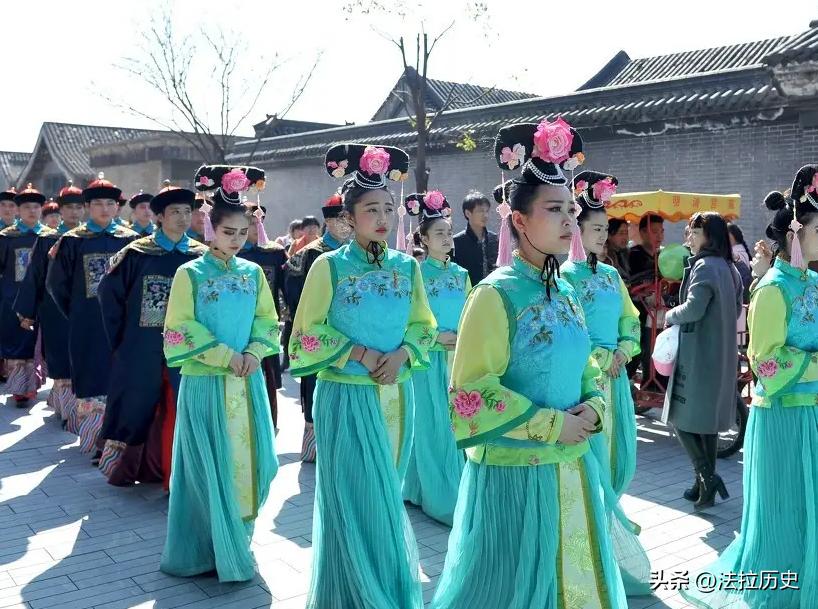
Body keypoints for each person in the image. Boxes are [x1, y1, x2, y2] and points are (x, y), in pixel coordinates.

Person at [432, 119, 629, 609]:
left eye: (572, 210)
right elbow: (471, 395)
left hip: (573, 465)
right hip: (517, 474)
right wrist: (552, 424)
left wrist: (594, 410)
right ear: (519, 220)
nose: (569, 222)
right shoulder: (494, 294)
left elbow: (586, 368)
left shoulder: (566, 290)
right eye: (554, 210)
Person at [289, 143, 436, 609]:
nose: (382, 216)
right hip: (346, 395)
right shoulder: (328, 266)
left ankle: (387, 585)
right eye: (371, 208)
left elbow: (423, 325)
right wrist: (361, 352)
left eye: (388, 208)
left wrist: (405, 352)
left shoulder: (406, 266)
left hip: (397, 395)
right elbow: (305, 334)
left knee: (387, 494)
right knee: (352, 497)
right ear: (349, 217)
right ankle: (352, 593)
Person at [680, 170, 818, 609]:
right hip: (783, 416)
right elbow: (768, 365)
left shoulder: (812, 283)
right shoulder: (773, 288)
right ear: (795, 234)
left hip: (811, 413)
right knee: (786, 509)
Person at [160, 164, 279, 582]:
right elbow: (178, 328)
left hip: (246, 382)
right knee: (206, 467)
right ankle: (204, 549)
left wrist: (255, 352)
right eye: (228, 232)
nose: (236, 240)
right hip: (207, 382)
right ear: (209, 228)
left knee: (252, 463)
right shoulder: (189, 273)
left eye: (242, 233)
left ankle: (238, 542)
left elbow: (269, 320)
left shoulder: (254, 274)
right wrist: (224, 355)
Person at [96, 184, 207, 487]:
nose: (184, 218)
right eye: (175, 212)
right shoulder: (135, 254)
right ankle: (130, 468)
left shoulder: (202, 256)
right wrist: (122, 340)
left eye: (188, 211)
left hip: (187, 345)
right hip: (140, 344)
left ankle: (179, 472)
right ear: (159, 217)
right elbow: (110, 297)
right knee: (136, 402)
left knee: (182, 402)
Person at [46, 175, 138, 462]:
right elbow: (56, 286)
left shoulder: (132, 241)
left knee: (121, 378)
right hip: (86, 324)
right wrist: (76, 312)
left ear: (117, 207)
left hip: (122, 325)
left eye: (110, 203)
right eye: (97, 203)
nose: (104, 209)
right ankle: (95, 440)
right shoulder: (72, 241)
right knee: (92, 378)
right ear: (87, 207)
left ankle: (118, 443)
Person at [661, 211, 742, 507]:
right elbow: (734, 312)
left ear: (710, 236)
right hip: (720, 353)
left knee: (680, 419)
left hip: (698, 356)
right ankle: (703, 484)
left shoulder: (705, 266)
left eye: (694, 233)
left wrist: (669, 315)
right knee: (705, 423)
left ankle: (706, 477)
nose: (689, 239)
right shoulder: (729, 268)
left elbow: (694, 309)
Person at [402, 190, 468, 526]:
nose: (446, 239)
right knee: (430, 426)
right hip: (427, 360)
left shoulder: (461, 274)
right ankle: (439, 495)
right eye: (438, 234)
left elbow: (471, 312)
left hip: (456, 358)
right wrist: (434, 337)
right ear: (423, 239)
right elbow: (405, 319)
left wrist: (463, 337)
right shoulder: (415, 272)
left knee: (454, 425)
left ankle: (421, 486)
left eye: (447, 232)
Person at [284, 193, 349, 461]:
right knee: (314, 387)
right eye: (340, 219)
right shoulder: (310, 253)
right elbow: (293, 292)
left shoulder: (359, 252)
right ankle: (314, 445)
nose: (346, 225)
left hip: (349, 331)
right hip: (319, 331)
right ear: (328, 221)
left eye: (348, 219)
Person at [15, 181, 83, 429]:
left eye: (78, 207)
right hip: (54, 309)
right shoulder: (47, 239)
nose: (74, 213)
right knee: (61, 358)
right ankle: (69, 414)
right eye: (69, 208)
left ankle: (75, 408)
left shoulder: (88, 238)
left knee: (83, 358)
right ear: (60, 210)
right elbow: (34, 276)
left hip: (84, 311)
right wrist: (28, 312)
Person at [237, 201, 286, 430]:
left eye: (259, 223)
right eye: (250, 223)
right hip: (237, 324)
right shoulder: (234, 253)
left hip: (265, 324)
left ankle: (265, 423)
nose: (256, 228)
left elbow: (286, 288)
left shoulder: (275, 253)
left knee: (267, 375)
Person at [0, 184, 48, 407]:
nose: (32, 211)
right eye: (27, 207)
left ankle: (34, 384)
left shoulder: (50, 237)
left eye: (36, 207)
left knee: (39, 342)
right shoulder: (7, 237)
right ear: (18, 210)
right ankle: (20, 388)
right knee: (18, 342)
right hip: (13, 299)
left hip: (42, 299)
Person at [626, 213, 666, 385]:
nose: (659, 236)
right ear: (642, 233)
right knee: (638, 346)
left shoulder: (663, 257)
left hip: (657, 310)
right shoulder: (633, 255)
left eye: (661, 231)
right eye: (654, 231)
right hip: (638, 309)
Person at [452, 190, 499, 286]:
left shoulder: (495, 239)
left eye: (487, 211)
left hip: (493, 292)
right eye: (480, 211)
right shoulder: (456, 242)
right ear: (468, 213)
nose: (485, 215)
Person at [602, 218, 631, 282]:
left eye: (626, 233)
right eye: (621, 233)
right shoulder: (605, 256)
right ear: (609, 235)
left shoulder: (627, 253)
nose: (625, 237)